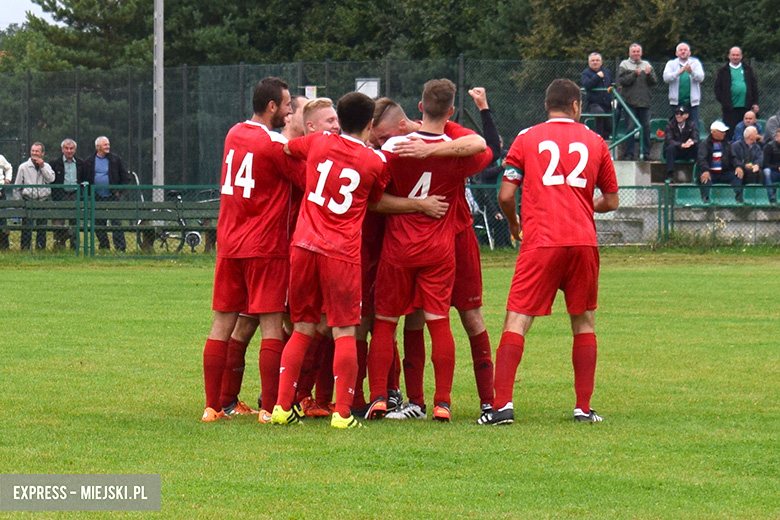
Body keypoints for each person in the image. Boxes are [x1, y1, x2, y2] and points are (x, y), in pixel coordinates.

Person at [479, 78, 619, 426]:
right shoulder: (596, 141)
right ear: (575, 106)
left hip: (541, 240)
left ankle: (502, 407)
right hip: (583, 241)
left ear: (547, 106)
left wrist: (513, 224)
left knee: (518, 318)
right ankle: (583, 409)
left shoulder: (527, 138)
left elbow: (506, 195)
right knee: (583, 321)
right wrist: (585, 205)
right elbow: (612, 200)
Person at [366, 79, 495, 423]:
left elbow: (373, 198)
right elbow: (485, 149)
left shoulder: (394, 148)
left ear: (419, 108)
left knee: (384, 323)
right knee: (440, 324)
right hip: (439, 248)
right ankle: (442, 402)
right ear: (451, 112)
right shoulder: (458, 153)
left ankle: (379, 396)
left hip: (398, 248)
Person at [272, 91, 389, 430]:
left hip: (305, 245)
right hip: (341, 252)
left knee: (303, 327)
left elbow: (288, 147)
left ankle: (282, 407)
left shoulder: (320, 142)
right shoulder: (375, 162)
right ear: (370, 124)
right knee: (344, 331)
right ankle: (342, 413)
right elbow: (375, 199)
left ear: (340, 117)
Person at [200, 76, 305, 422]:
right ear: (272, 106)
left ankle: (212, 407)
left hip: (230, 244)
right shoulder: (273, 146)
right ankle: (269, 408)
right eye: (287, 105)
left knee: (222, 324)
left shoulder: (234, 133)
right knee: (272, 325)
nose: (290, 111)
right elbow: (306, 178)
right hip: (264, 246)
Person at [80, 136, 132, 252]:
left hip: (112, 196)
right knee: (98, 223)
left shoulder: (115, 160)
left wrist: (119, 191)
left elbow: (125, 177)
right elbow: (83, 179)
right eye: (105, 145)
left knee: (116, 223)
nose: (108, 147)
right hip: (96, 197)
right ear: (98, 147)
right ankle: (104, 247)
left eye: (108, 144)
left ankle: (120, 248)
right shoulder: (89, 161)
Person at [617, 43, 656, 160]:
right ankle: (629, 153)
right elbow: (622, 81)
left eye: (638, 51)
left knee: (646, 128)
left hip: (644, 102)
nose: (636, 54)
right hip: (629, 102)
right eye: (634, 51)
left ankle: (646, 153)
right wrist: (634, 74)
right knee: (630, 128)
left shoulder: (647, 65)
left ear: (641, 53)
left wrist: (649, 75)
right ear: (630, 53)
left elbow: (654, 82)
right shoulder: (624, 65)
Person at [15, 142, 56, 251]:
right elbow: (17, 187)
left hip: (43, 201)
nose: (34, 153)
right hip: (28, 201)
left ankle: (40, 248)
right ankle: (24, 249)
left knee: (42, 227)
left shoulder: (47, 166)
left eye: (37, 151)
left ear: (42, 153)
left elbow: (51, 179)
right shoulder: (23, 167)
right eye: (33, 151)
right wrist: (19, 203)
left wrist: (42, 167)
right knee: (26, 228)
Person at [714, 47, 759, 141]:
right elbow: (717, 88)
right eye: (733, 55)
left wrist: (754, 102)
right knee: (730, 133)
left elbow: (754, 86)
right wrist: (724, 101)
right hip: (730, 109)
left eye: (737, 55)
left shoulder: (747, 69)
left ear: (741, 56)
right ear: (729, 56)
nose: (735, 57)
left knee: (746, 133)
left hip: (746, 107)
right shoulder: (723, 70)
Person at [50, 138, 85, 250]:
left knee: (74, 222)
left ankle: (74, 247)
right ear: (62, 149)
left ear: (75, 150)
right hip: (60, 196)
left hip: (75, 195)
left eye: (71, 148)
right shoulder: (55, 163)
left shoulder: (81, 163)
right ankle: (59, 246)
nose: (69, 151)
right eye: (66, 148)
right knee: (59, 223)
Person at [696, 120, 743, 203]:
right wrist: (705, 170)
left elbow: (733, 157)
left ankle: (737, 198)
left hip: (724, 173)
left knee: (737, 176)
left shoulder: (727, 144)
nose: (724, 133)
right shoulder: (704, 144)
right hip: (711, 173)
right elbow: (701, 159)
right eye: (722, 132)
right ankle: (706, 199)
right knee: (705, 178)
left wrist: (738, 166)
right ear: (714, 132)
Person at [662, 42, 705, 132]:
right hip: (676, 102)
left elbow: (701, 78)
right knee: (675, 128)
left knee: (694, 127)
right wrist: (678, 73)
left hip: (692, 103)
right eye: (680, 50)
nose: (683, 52)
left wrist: (691, 72)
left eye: (685, 50)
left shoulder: (695, 63)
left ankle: (694, 145)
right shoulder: (671, 64)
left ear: (689, 53)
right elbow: (666, 78)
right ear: (677, 53)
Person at [580, 52, 613, 140]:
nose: (595, 62)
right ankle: (598, 138)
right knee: (600, 113)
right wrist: (597, 77)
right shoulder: (585, 74)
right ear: (589, 62)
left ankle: (607, 140)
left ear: (601, 62)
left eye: (597, 60)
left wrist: (614, 99)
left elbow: (611, 86)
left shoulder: (607, 72)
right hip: (594, 103)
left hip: (607, 103)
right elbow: (587, 85)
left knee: (612, 119)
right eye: (593, 60)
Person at [663, 105, 699, 182]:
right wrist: (681, 145)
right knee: (670, 148)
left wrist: (691, 142)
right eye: (677, 114)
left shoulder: (691, 125)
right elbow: (668, 140)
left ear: (686, 115)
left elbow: (696, 138)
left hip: (687, 150)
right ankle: (670, 175)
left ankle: (698, 173)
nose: (679, 116)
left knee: (697, 147)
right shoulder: (670, 124)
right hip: (676, 150)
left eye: (681, 114)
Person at [761, 128, 780, 204]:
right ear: (776, 138)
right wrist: (777, 168)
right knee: (766, 171)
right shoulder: (769, 147)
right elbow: (765, 164)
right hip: (772, 173)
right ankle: (771, 197)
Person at [0, 154, 12, 250]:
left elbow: (8, 168)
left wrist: (7, 179)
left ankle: (4, 247)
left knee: (2, 220)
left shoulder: (1, 158)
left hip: (1, 193)